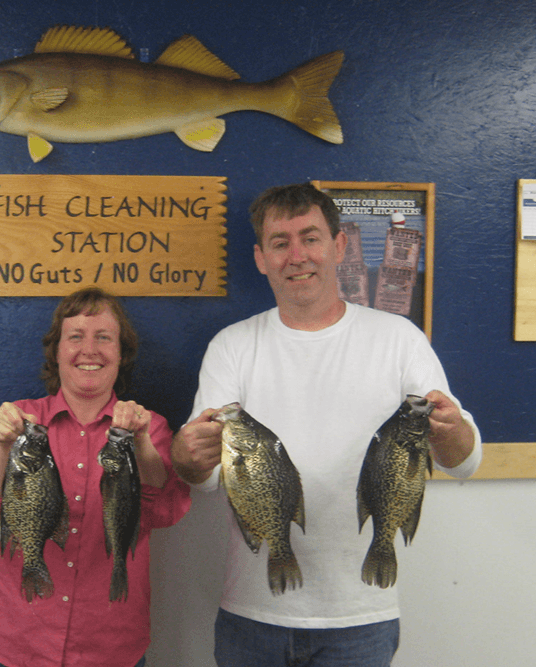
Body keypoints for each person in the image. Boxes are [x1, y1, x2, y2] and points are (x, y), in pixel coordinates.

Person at [171, 183, 482, 667]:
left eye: (310, 238)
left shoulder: (398, 339)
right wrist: (187, 457)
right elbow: (207, 477)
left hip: (360, 615)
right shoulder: (231, 346)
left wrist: (453, 429)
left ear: (338, 246)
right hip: (253, 614)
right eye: (280, 242)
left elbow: (463, 463)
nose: (297, 255)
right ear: (260, 257)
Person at [0, 287, 191, 667]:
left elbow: (166, 512)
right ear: (57, 352)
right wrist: (4, 445)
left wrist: (142, 445)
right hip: (20, 641)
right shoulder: (22, 421)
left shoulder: (148, 428)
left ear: (121, 354)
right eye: (75, 337)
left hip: (110, 644)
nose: (89, 350)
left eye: (104, 338)